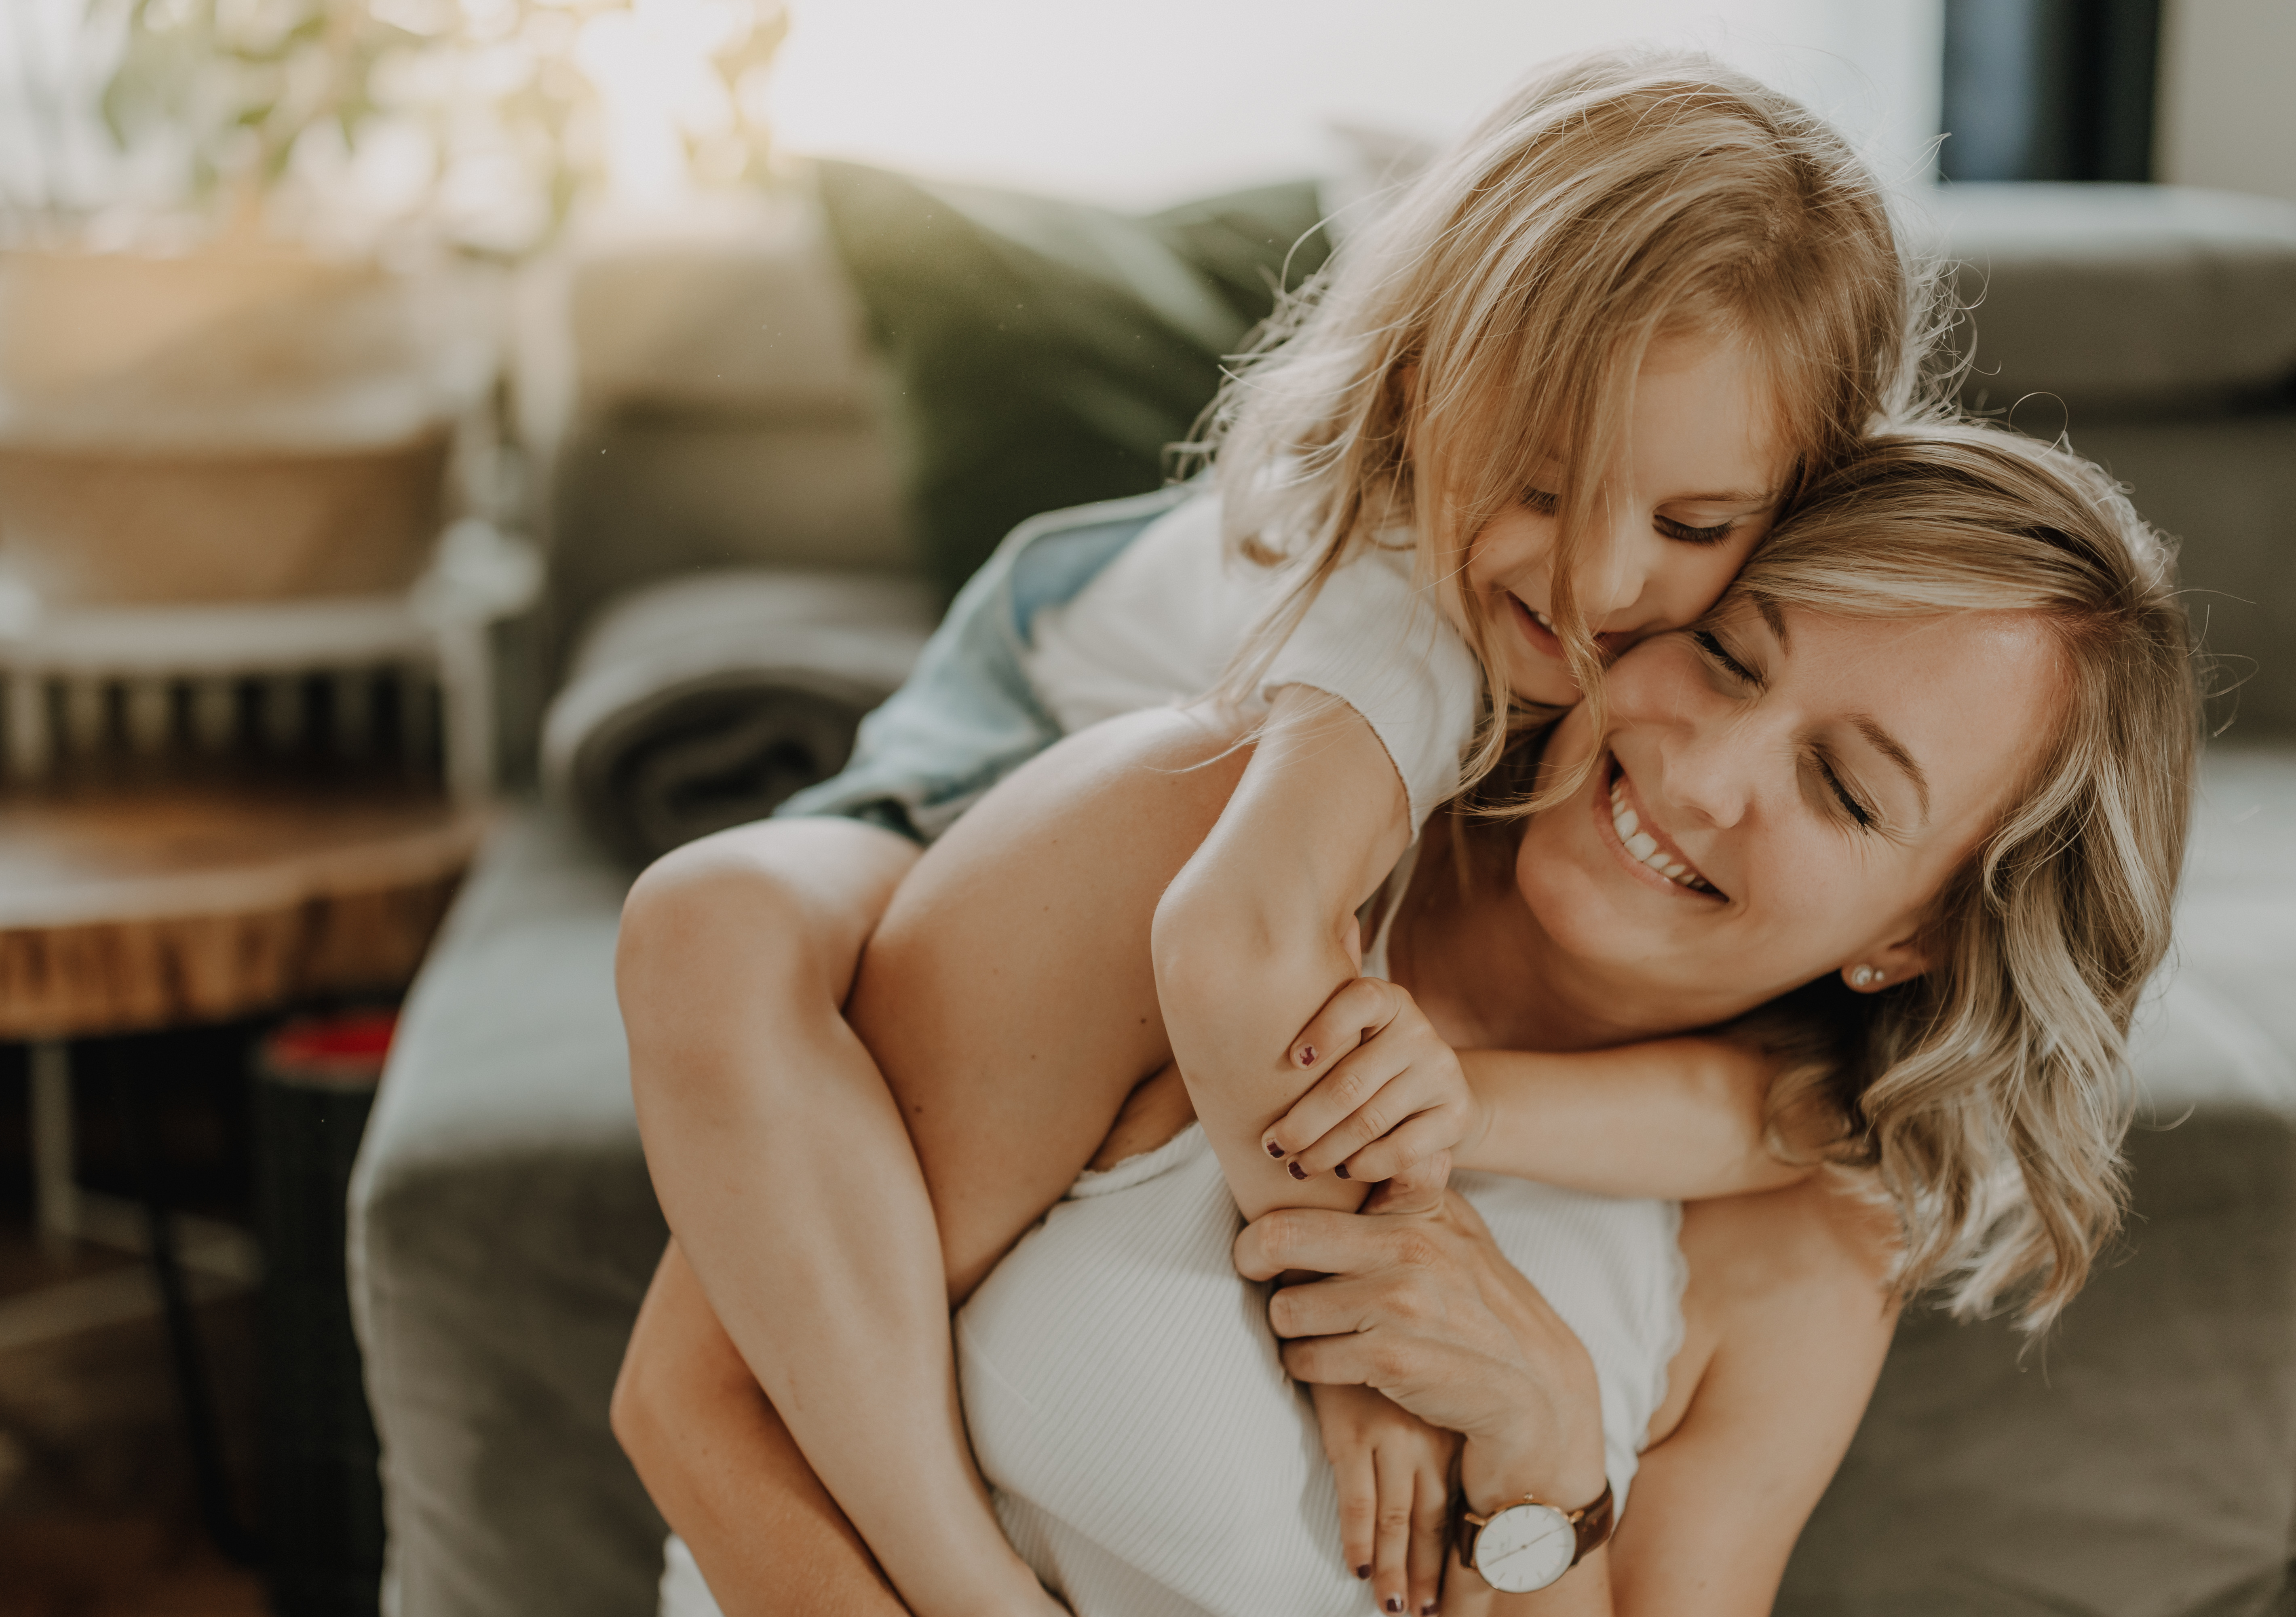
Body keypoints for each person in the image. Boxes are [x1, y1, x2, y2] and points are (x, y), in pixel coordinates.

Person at [616, 48, 1919, 1617]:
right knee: (713, 922)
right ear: (1428, 380)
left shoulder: (1553, 687)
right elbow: (1229, 935)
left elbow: (1775, 1115)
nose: (1591, 578)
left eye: (1694, 529)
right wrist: (1362, 1327)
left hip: (1137, 752)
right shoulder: (1409, 626)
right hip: (988, 766)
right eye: (1540, 483)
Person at [616, 424, 2196, 1615]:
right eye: (1722, 654)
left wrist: (1551, 1455)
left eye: (1843, 788)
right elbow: (710, 1414)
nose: (1705, 771)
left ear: (1920, 929)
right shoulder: (1206, 846)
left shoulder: (1805, 1245)